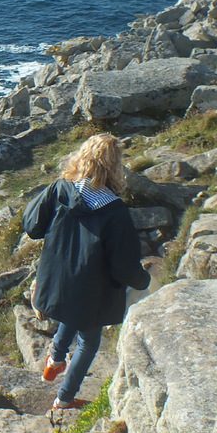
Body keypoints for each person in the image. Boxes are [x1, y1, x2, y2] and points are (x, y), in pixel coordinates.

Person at [23, 132, 150, 410]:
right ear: (112, 166)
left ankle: (54, 362)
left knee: (73, 309)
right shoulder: (115, 211)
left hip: (54, 281)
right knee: (88, 342)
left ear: (82, 157)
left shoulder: (60, 189)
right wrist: (143, 280)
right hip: (90, 290)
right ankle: (64, 399)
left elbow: (32, 226)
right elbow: (123, 267)